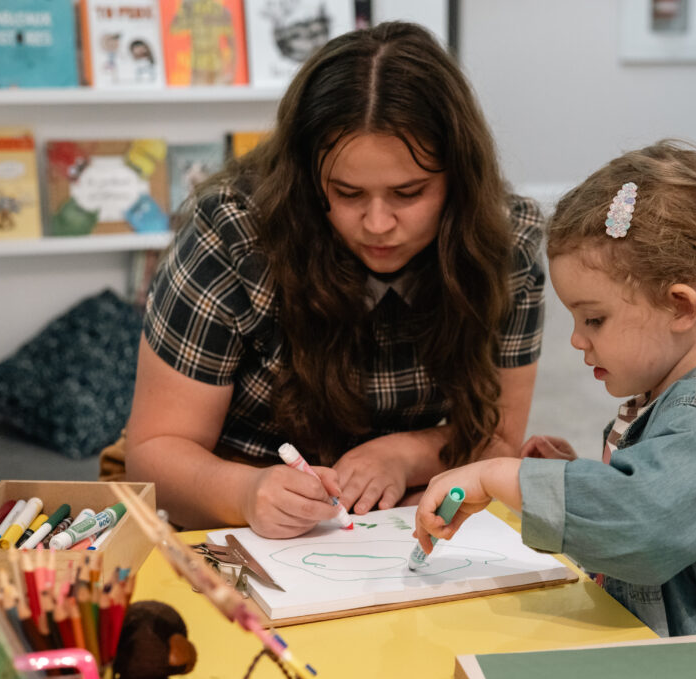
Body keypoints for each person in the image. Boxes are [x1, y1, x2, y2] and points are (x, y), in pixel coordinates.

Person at [413, 140, 696, 679]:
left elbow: (640, 522)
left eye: (593, 320)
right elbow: (650, 489)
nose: (576, 340)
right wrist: (574, 476)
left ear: (680, 307)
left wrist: (500, 475)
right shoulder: (674, 393)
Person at [119, 22, 545, 539]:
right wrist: (246, 493)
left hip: (407, 521)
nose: (378, 225)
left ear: (459, 179)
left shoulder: (506, 244)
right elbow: (153, 455)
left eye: (409, 193)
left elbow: (499, 438)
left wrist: (405, 453)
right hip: (235, 518)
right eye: (346, 193)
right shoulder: (231, 238)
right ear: (306, 179)